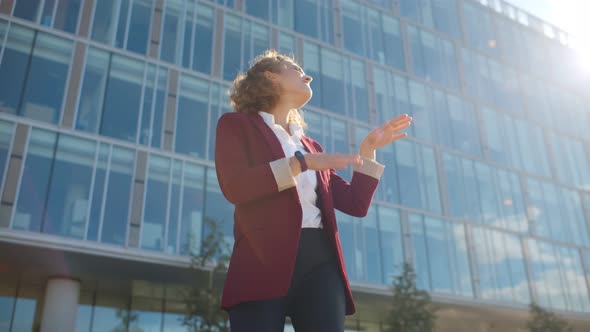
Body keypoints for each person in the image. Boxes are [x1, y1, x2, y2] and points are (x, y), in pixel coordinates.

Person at [214, 49, 413, 332]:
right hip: (261, 262)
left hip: (321, 264)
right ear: (271, 77)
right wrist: (300, 164)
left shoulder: (311, 146)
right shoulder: (236, 126)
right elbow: (236, 187)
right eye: (293, 67)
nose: (306, 74)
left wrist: (368, 150)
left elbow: (356, 204)